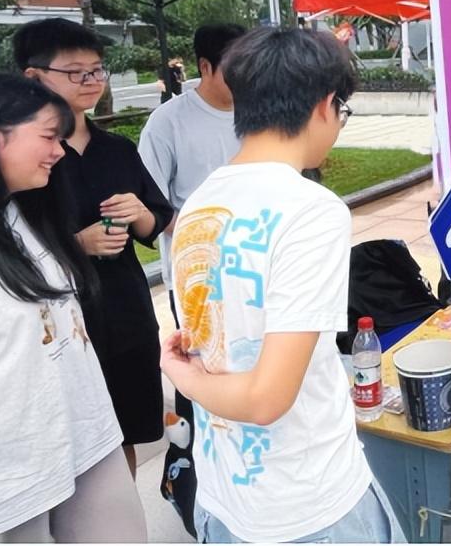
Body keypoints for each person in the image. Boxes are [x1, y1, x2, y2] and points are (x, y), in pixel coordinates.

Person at [160, 28, 403, 543]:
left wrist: (187, 374)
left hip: (224, 497)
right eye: (342, 110)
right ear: (324, 105)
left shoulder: (198, 205)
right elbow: (267, 398)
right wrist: (180, 376)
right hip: (308, 504)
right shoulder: (312, 211)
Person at [0, 74, 147, 543]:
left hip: (84, 431)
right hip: (7, 469)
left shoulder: (25, 212)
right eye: (48, 136)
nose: (59, 152)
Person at [14, 18, 174, 478]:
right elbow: (9, 242)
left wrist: (139, 213)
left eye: (97, 70)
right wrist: (76, 245)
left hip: (125, 309)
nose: (91, 81)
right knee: (71, 438)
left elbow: (156, 220)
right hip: (62, 321)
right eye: (75, 72)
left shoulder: (116, 149)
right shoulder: (24, 158)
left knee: (126, 429)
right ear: (33, 76)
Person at [138, 22, 246, 534]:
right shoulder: (168, 123)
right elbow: (150, 205)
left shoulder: (256, 110)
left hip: (255, 271)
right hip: (200, 281)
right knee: (204, 373)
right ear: (204, 67)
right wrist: (210, 225)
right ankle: (194, 476)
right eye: (236, 67)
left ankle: (245, 467)